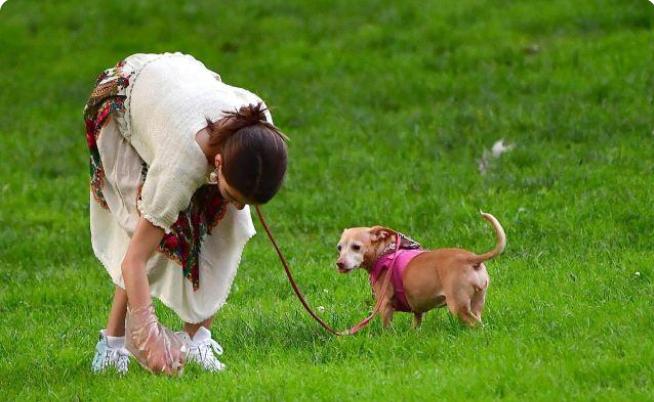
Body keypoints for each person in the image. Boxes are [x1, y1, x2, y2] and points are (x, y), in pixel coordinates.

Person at [84, 52, 288, 375]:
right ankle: (112, 345)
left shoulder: (258, 132)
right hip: (124, 99)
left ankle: (197, 340)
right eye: (235, 195)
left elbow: (232, 203)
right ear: (217, 164)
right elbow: (134, 260)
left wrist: (233, 198)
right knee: (142, 230)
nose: (239, 204)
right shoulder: (183, 162)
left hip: (179, 85)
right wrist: (149, 335)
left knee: (224, 221)